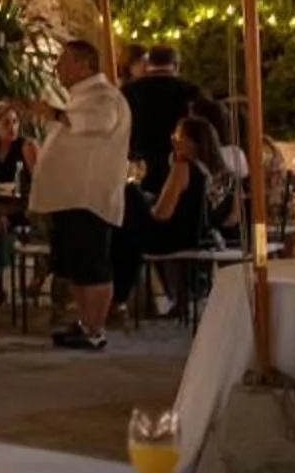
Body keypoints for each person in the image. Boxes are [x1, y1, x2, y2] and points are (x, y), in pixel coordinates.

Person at [24, 37, 132, 351]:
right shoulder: (78, 97)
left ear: (84, 64)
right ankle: (85, 321)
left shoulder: (104, 96)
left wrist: (52, 114)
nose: (57, 67)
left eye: (64, 61)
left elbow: (96, 123)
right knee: (73, 263)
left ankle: (96, 327)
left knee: (92, 263)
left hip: (88, 196)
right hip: (68, 196)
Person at [116, 113, 227, 310]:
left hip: (171, 237)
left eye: (178, 136)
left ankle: (119, 296)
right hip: (194, 236)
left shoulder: (182, 167)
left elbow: (162, 214)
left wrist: (143, 202)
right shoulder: (209, 171)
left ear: (191, 143)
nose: (173, 141)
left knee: (129, 194)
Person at [119, 47, 216, 176]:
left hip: (140, 165)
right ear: (176, 65)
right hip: (179, 162)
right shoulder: (190, 91)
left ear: (148, 64)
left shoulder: (128, 91)